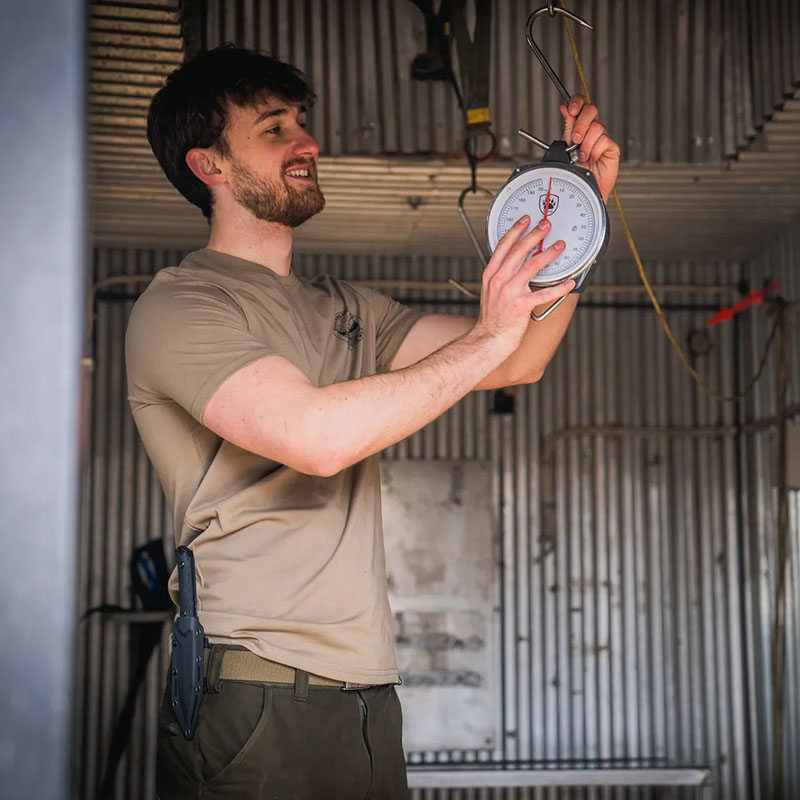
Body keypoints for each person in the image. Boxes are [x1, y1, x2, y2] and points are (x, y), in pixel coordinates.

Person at [127, 44, 619, 800]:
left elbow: (516, 359)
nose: (306, 141)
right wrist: (489, 335)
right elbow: (316, 439)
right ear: (208, 165)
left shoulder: (347, 307)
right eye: (274, 128)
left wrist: (581, 217)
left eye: (301, 121)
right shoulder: (182, 306)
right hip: (257, 690)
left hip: (367, 693)